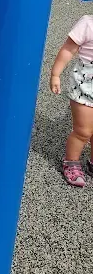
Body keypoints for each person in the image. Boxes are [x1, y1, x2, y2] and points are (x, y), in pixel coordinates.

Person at [50, 15, 93, 187]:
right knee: (83, 131)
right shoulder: (88, 24)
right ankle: (71, 162)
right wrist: (55, 74)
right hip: (86, 87)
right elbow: (68, 49)